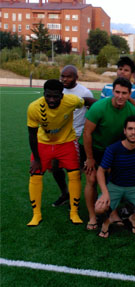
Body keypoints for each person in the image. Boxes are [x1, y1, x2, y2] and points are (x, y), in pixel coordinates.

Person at [26, 79, 94, 226]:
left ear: (62, 95)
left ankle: (74, 213)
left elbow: (88, 100)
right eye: (48, 96)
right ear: (44, 94)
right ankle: (36, 215)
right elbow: (31, 134)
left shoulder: (72, 100)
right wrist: (36, 158)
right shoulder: (34, 107)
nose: (51, 99)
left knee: (74, 174)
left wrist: (102, 107)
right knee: (35, 174)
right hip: (43, 143)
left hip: (67, 142)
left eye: (55, 96)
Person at [80, 77, 135, 230]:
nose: (120, 96)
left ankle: (113, 213)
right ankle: (92, 217)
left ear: (129, 94)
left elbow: (130, 135)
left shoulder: (131, 110)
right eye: (117, 92)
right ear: (112, 92)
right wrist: (90, 158)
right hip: (93, 148)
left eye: (124, 93)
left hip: (111, 151)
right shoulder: (99, 107)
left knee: (114, 181)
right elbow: (87, 133)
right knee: (91, 180)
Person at [94, 116, 135, 238]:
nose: (133, 132)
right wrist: (105, 192)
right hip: (115, 185)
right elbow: (100, 171)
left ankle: (134, 216)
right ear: (124, 131)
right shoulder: (113, 149)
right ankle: (108, 220)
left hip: (134, 187)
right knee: (99, 208)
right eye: (130, 129)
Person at [51, 65, 95, 207]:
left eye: (68, 76)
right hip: (58, 137)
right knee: (55, 167)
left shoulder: (85, 92)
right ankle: (65, 193)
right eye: (62, 76)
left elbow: (91, 114)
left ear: (76, 77)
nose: (64, 79)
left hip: (76, 137)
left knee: (75, 170)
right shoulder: (58, 90)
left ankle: (74, 198)